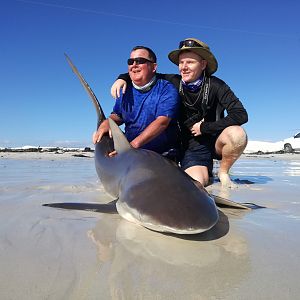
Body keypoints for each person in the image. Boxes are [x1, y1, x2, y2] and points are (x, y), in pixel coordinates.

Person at [111, 38, 248, 188]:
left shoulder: (217, 85)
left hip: (214, 141)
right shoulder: (174, 81)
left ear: (203, 64)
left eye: (190, 62)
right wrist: (122, 78)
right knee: (193, 185)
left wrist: (205, 128)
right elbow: (145, 72)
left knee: (237, 134)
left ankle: (223, 172)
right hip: (191, 146)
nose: (184, 67)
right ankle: (196, 169)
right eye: (181, 63)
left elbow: (240, 114)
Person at [93, 45, 180, 160]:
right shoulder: (124, 90)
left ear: (154, 67)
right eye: (131, 61)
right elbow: (118, 115)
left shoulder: (166, 89)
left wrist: (132, 146)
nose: (134, 65)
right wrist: (107, 122)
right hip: (132, 155)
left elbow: (162, 122)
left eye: (140, 61)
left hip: (163, 155)